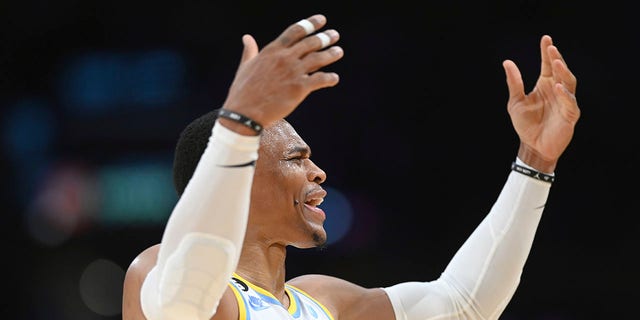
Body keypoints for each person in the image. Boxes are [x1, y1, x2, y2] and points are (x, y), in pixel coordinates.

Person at [122, 13, 580, 320]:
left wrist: (535, 160)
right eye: (295, 159)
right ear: (238, 178)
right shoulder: (161, 271)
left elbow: (464, 303)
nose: (318, 173)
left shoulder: (322, 300)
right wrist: (240, 122)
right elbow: (189, 288)